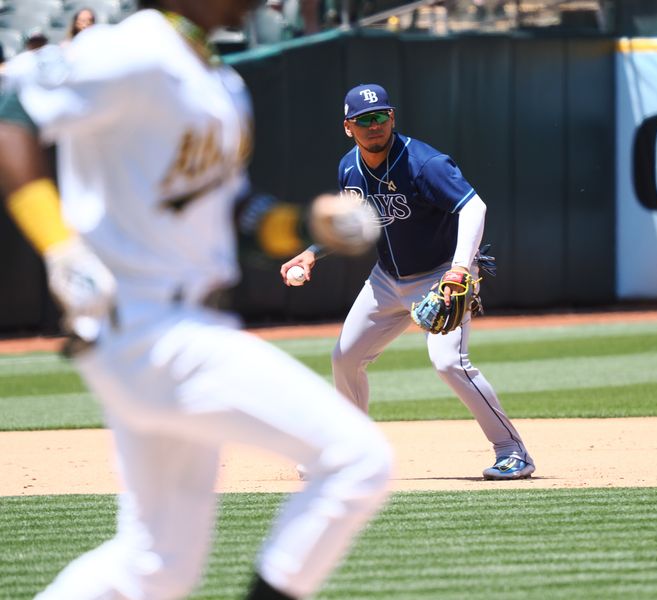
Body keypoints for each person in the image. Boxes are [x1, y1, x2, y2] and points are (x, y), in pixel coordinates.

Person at [0, 3, 392, 599]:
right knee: (356, 459)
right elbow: (12, 111)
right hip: (149, 324)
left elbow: (236, 216)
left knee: (156, 566)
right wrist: (58, 248)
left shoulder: (221, 81)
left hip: (182, 322)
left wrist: (307, 222)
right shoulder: (132, 48)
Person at [281, 83, 535, 480]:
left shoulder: (423, 162)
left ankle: (512, 451)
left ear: (392, 118)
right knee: (345, 358)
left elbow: (474, 207)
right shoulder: (349, 167)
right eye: (363, 120)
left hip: (439, 276)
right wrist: (312, 253)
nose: (373, 125)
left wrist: (459, 269)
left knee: (449, 362)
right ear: (348, 127)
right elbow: (350, 224)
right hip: (386, 280)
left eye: (380, 116)